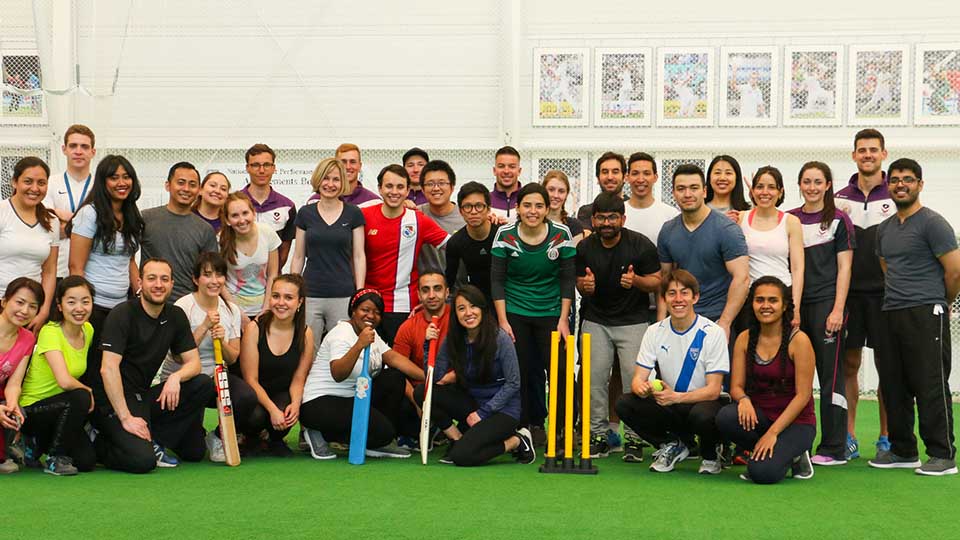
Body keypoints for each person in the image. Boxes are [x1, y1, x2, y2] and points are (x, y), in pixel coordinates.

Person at [871, 158, 960, 476]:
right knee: (893, 383)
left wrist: (941, 301)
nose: (900, 185)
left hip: (927, 311)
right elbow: (887, 267)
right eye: (894, 180)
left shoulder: (934, 223)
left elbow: (954, 271)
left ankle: (942, 454)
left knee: (930, 382)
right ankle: (902, 450)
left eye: (907, 179)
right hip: (891, 312)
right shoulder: (885, 229)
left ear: (920, 184)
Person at [88, 258, 215, 473]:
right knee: (142, 461)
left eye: (164, 279)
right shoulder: (122, 314)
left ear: (172, 284)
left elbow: (194, 364)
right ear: (140, 283)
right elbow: (107, 369)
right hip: (112, 399)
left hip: (143, 395)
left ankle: (156, 439)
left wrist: (175, 378)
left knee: (202, 386)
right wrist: (126, 418)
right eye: (152, 278)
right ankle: (97, 441)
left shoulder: (175, 315)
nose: (158, 284)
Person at [616, 270, 729, 474]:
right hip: (671, 402)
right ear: (664, 299)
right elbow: (637, 380)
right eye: (671, 293)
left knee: (702, 415)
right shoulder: (654, 331)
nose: (678, 300)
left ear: (695, 297)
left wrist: (675, 397)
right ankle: (675, 444)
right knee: (625, 403)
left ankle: (711, 453)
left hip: (705, 404)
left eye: (684, 293)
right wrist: (643, 388)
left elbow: (713, 390)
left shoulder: (713, 332)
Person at [576, 192, 660, 461]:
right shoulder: (585, 247)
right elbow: (577, 280)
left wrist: (636, 282)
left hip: (633, 320)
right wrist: (583, 286)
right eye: (601, 217)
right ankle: (598, 435)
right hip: (596, 320)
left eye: (613, 217)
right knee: (594, 381)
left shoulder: (640, 245)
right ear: (593, 219)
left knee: (634, 381)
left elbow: (657, 281)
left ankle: (635, 438)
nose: (607, 222)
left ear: (623, 219)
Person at [413, 285, 535, 466]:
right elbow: (433, 377)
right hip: (472, 405)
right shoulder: (453, 339)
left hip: (502, 411)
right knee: (423, 391)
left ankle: (517, 441)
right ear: (455, 314)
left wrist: (483, 412)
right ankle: (458, 439)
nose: (468, 313)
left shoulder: (500, 338)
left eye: (473, 306)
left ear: (482, 309)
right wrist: (428, 344)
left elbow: (513, 383)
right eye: (461, 308)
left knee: (462, 457)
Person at [491, 183, 575, 443]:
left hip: (551, 312)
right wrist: (503, 321)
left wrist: (563, 319)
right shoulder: (505, 234)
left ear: (548, 209)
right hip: (515, 312)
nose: (533, 211)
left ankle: (562, 429)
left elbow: (567, 278)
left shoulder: (561, 233)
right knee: (523, 371)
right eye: (527, 205)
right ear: (518, 208)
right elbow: (497, 280)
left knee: (560, 370)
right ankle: (528, 425)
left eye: (539, 205)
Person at [298, 289, 424, 460]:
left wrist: (428, 377)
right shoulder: (342, 333)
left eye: (377, 312)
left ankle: (375, 441)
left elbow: (393, 358)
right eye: (365, 310)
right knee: (384, 432)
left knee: (394, 378)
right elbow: (338, 374)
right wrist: (359, 345)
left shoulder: (371, 334)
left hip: (352, 397)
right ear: (353, 310)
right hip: (320, 402)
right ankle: (320, 432)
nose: (371, 316)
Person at [716, 276, 816, 484]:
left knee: (762, 474)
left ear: (784, 305)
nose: (765, 306)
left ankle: (795, 453)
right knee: (726, 417)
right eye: (759, 300)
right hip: (761, 417)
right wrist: (743, 399)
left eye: (773, 300)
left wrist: (773, 433)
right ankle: (774, 452)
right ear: (752, 303)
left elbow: (803, 395)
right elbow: (735, 386)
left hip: (796, 423)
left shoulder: (799, 341)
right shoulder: (744, 338)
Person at [787, 162, 855, 466]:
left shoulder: (840, 220)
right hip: (796, 308)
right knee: (792, 378)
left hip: (827, 306)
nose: (812, 187)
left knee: (830, 378)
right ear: (799, 184)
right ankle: (793, 443)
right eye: (806, 181)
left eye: (818, 181)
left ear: (828, 185)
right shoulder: (788, 219)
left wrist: (838, 309)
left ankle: (834, 447)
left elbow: (845, 268)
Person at [834, 128, 895, 459]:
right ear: (854, 155)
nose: (868, 155)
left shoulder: (897, 192)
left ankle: (887, 436)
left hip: (887, 295)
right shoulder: (840, 198)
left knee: (888, 366)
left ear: (883, 154)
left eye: (874, 150)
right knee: (850, 364)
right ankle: (848, 434)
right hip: (852, 296)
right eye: (862, 150)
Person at [154, 252, 242, 462]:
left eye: (219, 275)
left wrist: (221, 341)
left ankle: (216, 437)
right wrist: (204, 327)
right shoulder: (182, 307)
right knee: (193, 454)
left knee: (246, 398)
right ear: (196, 279)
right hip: (184, 382)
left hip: (214, 379)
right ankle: (172, 435)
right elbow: (177, 356)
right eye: (207, 275)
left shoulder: (231, 310)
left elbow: (233, 358)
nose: (214, 281)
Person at [7, 277, 98, 475]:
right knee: (81, 395)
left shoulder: (88, 330)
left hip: (63, 410)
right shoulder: (50, 332)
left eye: (85, 301)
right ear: (60, 305)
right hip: (33, 410)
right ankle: (55, 458)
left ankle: (35, 446)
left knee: (86, 461)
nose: (79, 308)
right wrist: (88, 390)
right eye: (71, 302)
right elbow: (64, 381)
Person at [68, 155, 144, 382]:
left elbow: (129, 259)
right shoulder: (89, 214)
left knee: (115, 369)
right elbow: (75, 267)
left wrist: (139, 290)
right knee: (91, 370)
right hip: (94, 307)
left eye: (126, 176)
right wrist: (83, 307)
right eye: (114, 177)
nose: (122, 182)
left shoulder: (132, 214)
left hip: (121, 307)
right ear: (103, 182)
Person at [658, 164, 750, 340]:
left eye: (694, 188)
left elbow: (742, 278)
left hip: (717, 319)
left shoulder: (726, 229)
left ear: (705, 191)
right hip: (680, 319)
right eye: (681, 189)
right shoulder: (668, 231)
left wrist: (725, 322)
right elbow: (665, 279)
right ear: (674, 193)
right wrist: (661, 322)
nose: (687, 194)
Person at [362, 164, 449, 345]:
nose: (394, 192)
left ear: (408, 190)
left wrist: (486, 225)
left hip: (403, 306)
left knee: (399, 363)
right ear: (379, 189)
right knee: (368, 362)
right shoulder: (363, 216)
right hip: (369, 305)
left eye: (400, 187)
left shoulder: (418, 220)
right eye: (389, 186)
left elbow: (456, 245)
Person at [232, 274, 314, 457]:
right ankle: (250, 437)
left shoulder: (306, 333)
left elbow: (299, 378)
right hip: (253, 393)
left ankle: (274, 440)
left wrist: (295, 404)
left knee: (288, 413)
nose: (281, 302)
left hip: (281, 392)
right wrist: (272, 410)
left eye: (288, 297)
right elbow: (250, 379)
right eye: (276, 296)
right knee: (257, 416)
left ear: (300, 302)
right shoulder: (255, 328)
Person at [291, 157, 365, 352]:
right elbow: (298, 256)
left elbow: (358, 256)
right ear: (318, 180)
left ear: (343, 183)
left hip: (343, 293)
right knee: (308, 349)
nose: (330, 184)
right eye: (326, 178)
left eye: (335, 179)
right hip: (311, 293)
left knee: (341, 349)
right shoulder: (305, 213)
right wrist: (293, 288)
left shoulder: (354, 214)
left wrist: (360, 291)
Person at [141, 162, 219, 302]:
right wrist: (137, 287)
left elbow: (210, 273)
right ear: (167, 185)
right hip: (149, 302)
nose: (186, 189)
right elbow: (127, 257)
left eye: (192, 184)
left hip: (188, 306)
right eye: (181, 182)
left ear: (199, 190)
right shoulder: (146, 218)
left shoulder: (205, 229)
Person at [738, 166, 805, 328]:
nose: (765, 192)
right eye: (759, 187)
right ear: (752, 191)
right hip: (749, 296)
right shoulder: (740, 218)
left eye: (771, 187)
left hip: (782, 295)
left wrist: (795, 307)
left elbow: (797, 268)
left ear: (780, 192)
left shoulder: (791, 221)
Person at [392, 271, 452, 447]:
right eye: (426, 290)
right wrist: (418, 401)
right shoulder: (408, 327)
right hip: (419, 390)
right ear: (418, 295)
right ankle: (414, 431)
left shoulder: (459, 320)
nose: (432, 295)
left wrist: (451, 377)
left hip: (450, 386)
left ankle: (449, 431)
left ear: (447, 293)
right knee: (394, 390)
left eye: (437, 289)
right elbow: (398, 372)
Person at [0, 157, 58, 332]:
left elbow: (49, 270)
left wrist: (43, 309)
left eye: (41, 183)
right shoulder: (2, 212)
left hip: (29, 310)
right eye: (28, 181)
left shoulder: (51, 221)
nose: (34, 188)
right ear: (14, 182)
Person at [0, 278, 43, 473]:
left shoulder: (28, 338)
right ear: (4, 301)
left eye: (32, 306)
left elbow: (14, 383)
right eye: (19, 302)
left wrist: (11, 405)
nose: (25, 311)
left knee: (16, 413)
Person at [43, 124, 96, 280]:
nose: (78, 151)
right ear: (64, 149)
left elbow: (104, 228)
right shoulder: (49, 183)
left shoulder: (101, 186)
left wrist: (64, 218)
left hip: (91, 273)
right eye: (73, 146)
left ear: (93, 152)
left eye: (84, 147)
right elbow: (46, 226)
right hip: (56, 271)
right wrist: (86, 225)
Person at [219, 192, 280, 318]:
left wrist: (266, 308)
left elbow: (272, 274)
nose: (242, 220)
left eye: (245, 213)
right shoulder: (220, 240)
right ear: (227, 220)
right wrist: (238, 314)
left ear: (253, 213)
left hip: (263, 308)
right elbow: (219, 281)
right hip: (232, 310)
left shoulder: (267, 233)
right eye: (235, 215)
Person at [241, 144, 296, 269]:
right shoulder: (233, 204)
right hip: (238, 281)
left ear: (273, 168)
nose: (261, 170)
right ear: (247, 168)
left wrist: (269, 275)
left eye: (266, 165)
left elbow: (283, 252)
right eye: (255, 165)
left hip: (271, 280)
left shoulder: (287, 207)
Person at [444, 182, 496, 299]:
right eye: (467, 207)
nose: (473, 212)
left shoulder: (501, 235)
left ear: (488, 208)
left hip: (506, 299)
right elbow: (450, 280)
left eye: (479, 206)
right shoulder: (455, 242)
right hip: (474, 300)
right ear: (461, 211)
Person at [417, 160, 465, 273]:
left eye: (442, 183)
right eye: (430, 184)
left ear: (452, 187)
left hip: (459, 288)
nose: (436, 188)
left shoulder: (466, 216)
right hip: (426, 288)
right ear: (422, 189)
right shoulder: (415, 215)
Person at [622, 152, 679, 246]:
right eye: (635, 173)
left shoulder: (671, 215)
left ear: (655, 177)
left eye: (646, 173)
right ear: (627, 177)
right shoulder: (618, 214)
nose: (640, 179)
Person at [575, 151, 626, 232]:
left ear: (624, 177)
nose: (610, 177)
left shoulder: (632, 209)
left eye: (615, 172)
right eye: (605, 172)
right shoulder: (587, 212)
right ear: (598, 178)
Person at [542, 170, 585, 244]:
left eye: (561, 191)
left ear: (566, 194)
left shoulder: (575, 226)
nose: (556, 195)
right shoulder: (533, 222)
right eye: (551, 190)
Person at [705, 155, 751, 222]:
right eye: (717, 173)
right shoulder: (699, 210)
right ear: (709, 177)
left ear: (736, 178)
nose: (722, 178)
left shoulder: (747, 211)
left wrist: (756, 199)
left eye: (728, 173)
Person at [337, 143, 381, 208]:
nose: (348, 167)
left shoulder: (374, 203)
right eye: (343, 162)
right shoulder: (319, 200)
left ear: (360, 166)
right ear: (336, 165)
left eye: (352, 162)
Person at [489, 146, 522, 220]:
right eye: (501, 166)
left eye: (512, 167)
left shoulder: (528, 200)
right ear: (494, 170)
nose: (506, 171)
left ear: (519, 171)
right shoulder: (484, 202)